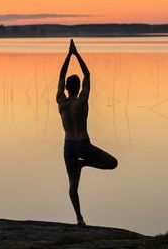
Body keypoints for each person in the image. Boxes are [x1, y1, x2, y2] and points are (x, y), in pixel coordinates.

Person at [56, 39, 118, 225]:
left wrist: (68, 56)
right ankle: (85, 164)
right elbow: (87, 74)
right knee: (113, 163)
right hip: (83, 145)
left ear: (67, 88)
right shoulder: (82, 100)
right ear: (79, 88)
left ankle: (79, 218)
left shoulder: (61, 101)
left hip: (68, 147)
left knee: (73, 185)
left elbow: (60, 77)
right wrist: (77, 54)